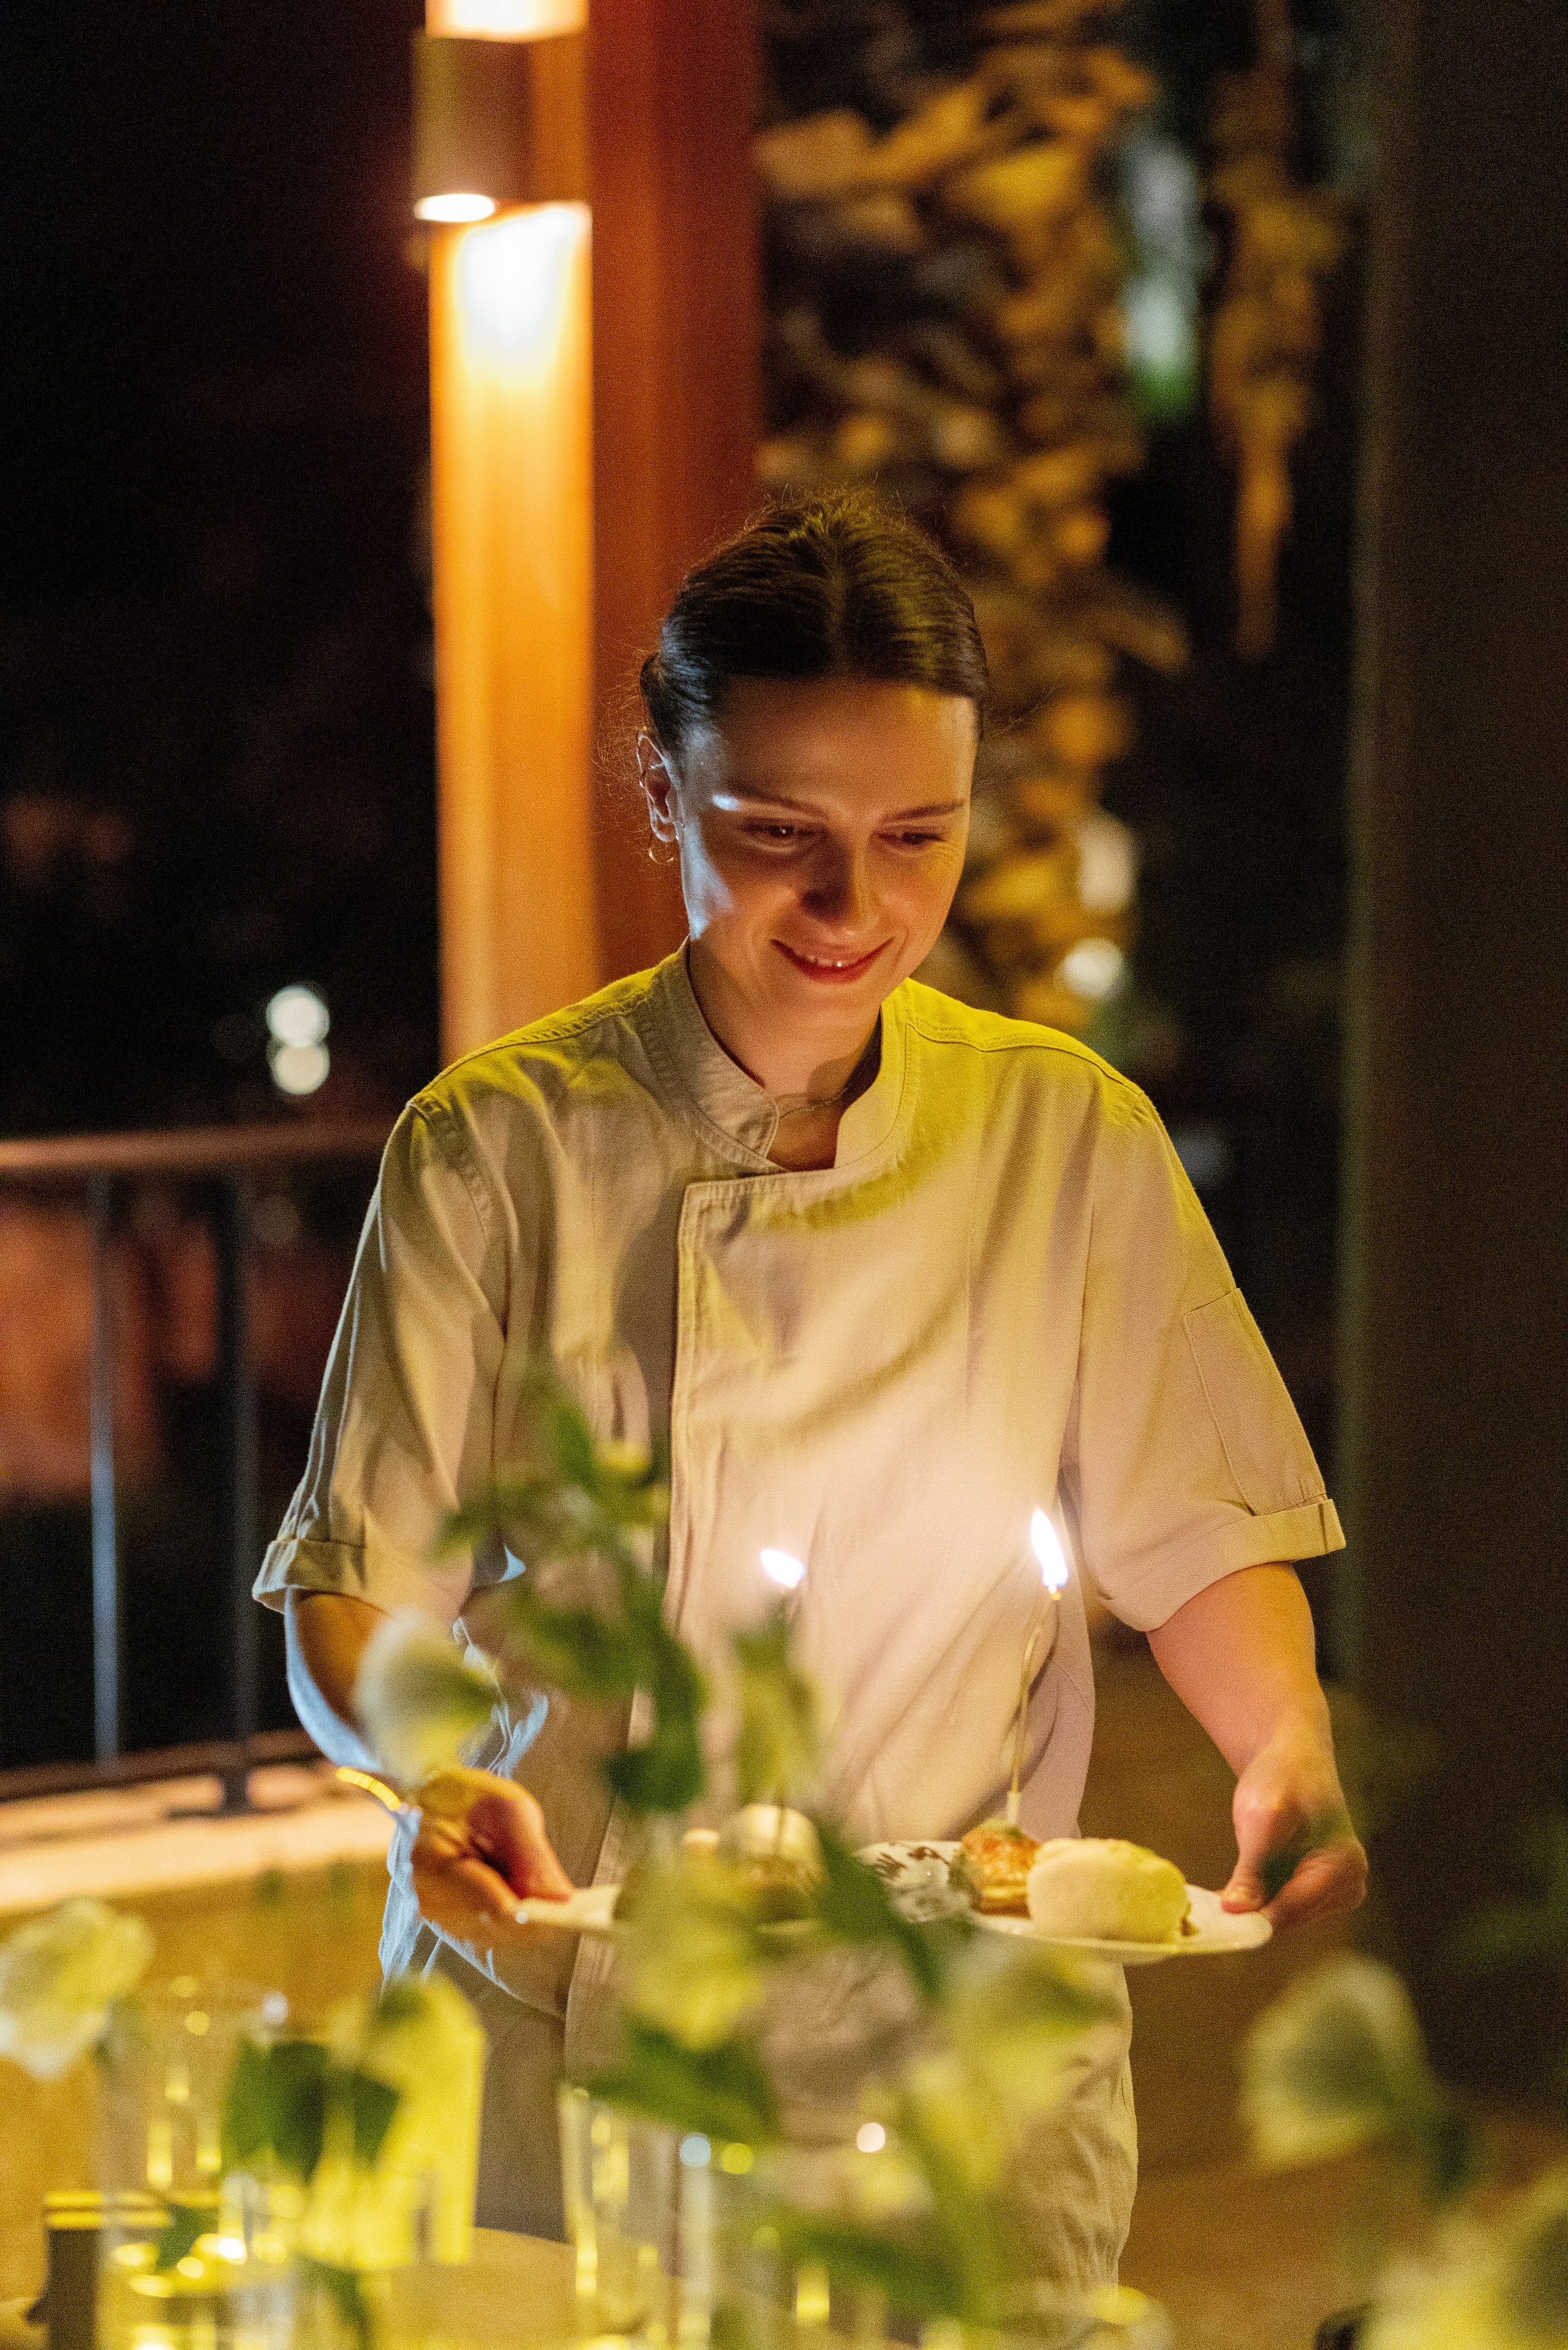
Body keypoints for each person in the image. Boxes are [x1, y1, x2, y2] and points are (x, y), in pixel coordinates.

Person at [260, 491, 1365, 2277]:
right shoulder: (495, 1149)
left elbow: (1200, 1533)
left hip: (958, 2060)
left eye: (917, 835)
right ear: (661, 803)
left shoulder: (1067, 1139)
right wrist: (434, 1773)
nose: (860, 905)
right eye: (782, 833)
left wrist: (1284, 1740)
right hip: (561, 2034)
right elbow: (356, 1590)